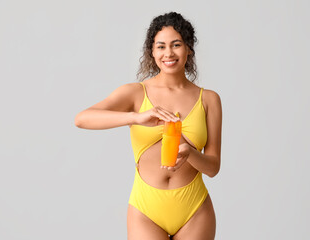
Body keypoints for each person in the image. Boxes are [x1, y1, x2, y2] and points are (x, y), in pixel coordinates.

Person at [75, 12, 222, 240]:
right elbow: (82, 119)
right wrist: (136, 117)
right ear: (152, 52)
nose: (168, 53)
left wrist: (190, 154)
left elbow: (212, 167)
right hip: (146, 210)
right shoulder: (135, 93)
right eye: (161, 46)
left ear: (188, 48)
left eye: (176, 45)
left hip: (194, 209)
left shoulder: (209, 99)